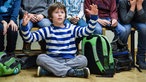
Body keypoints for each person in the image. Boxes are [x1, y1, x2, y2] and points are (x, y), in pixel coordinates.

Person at [20, 2, 98, 78]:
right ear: (50, 17)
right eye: (56, 12)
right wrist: (24, 26)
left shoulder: (71, 28)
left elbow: (87, 31)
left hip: (70, 60)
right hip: (53, 59)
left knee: (83, 60)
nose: (60, 14)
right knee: (40, 58)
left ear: (65, 16)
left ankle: (50, 71)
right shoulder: (47, 30)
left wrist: (94, 17)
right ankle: (71, 72)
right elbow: (29, 38)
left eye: (62, 12)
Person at [118, 0, 146, 69]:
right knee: (126, 30)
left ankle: (141, 59)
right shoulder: (122, 1)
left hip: (138, 21)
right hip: (125, 21)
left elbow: (144, 20)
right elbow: (125, 20)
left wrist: (139, 6)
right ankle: (122, 57)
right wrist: (133, 6)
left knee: (144, 29)